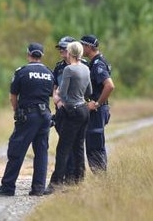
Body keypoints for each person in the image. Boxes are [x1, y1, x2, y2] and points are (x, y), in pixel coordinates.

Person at [0, 42, 54, 196]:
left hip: (28, 116)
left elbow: (13, 96)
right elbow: (53, 93)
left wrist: (17, 111)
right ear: (41, 55)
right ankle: (38, 188)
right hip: (45, 116)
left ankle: (8, 187)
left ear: (28, 54)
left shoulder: (22, 72)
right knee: (41, 152)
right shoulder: (49, 73)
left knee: (16, 150)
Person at [46, 41, 92, 193]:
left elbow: (63, 93)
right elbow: (89, 91)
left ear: (70, 53)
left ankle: (56, 183)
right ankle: (79, 180)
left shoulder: (68, 69)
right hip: (84, 109)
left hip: (71, 110)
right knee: (79, 147)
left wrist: (59, 98)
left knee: (62, 149)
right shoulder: (86, 68)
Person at [80, 34, 115, 174]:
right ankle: (100, 178)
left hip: (97, 111)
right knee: (94, 144)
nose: (81, 48)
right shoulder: (95, 61)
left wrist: (98, 104)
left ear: (89, 47)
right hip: (98, 110)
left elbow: (109, 86)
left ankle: (100, 180)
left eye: (83, 45)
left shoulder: (97, 63)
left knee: (95, 145)